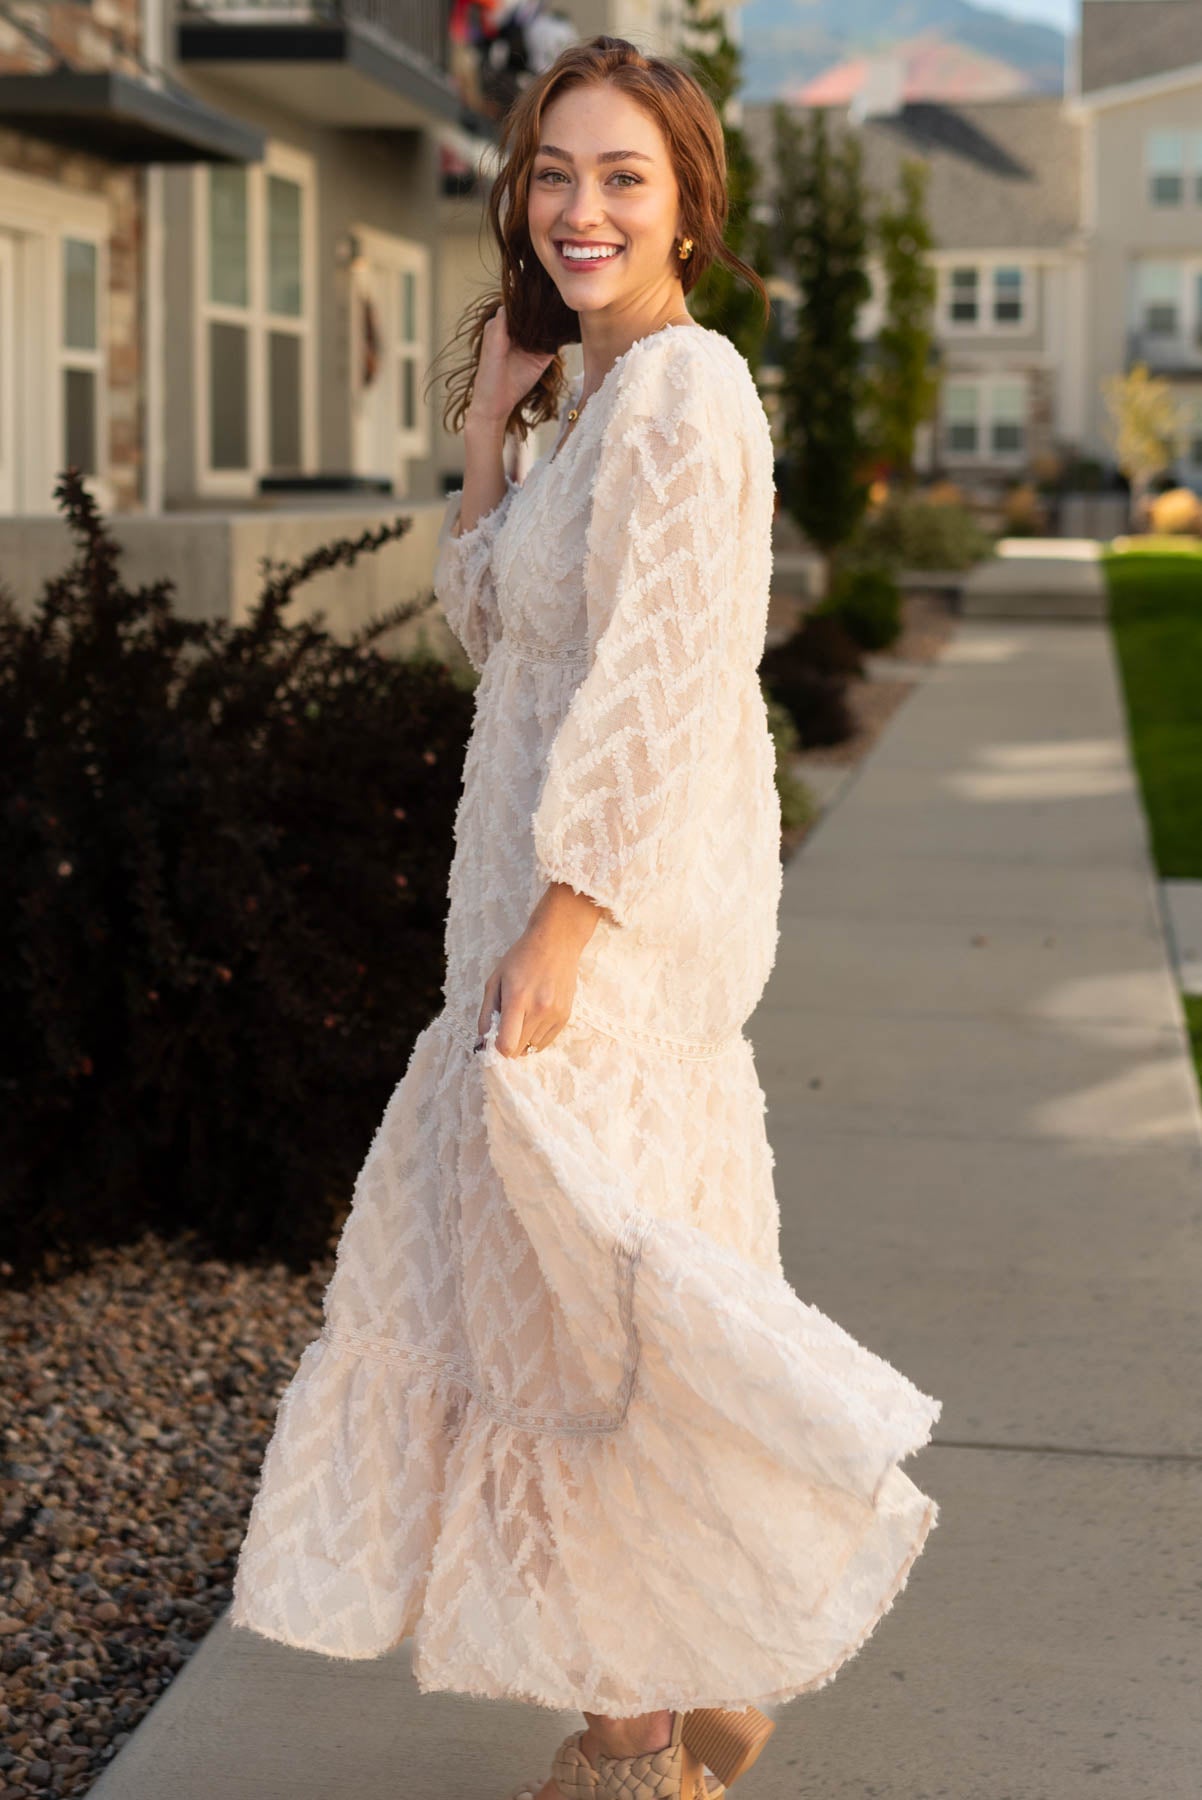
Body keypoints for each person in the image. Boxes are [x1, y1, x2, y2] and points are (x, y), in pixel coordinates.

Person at [227, 35, 943, 1800]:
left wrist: (570, 917)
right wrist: (486, 425)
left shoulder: (693, 391)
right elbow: (495, 622)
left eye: (622, 175)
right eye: (554, 172)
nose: (581, 207)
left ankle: (638, 1755)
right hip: (521, 921)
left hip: (600, 942)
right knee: (581, 1322)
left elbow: (668, 680)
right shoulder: (593, 403)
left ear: (690, 201)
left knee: (586, 1328)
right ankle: (688, 1689)